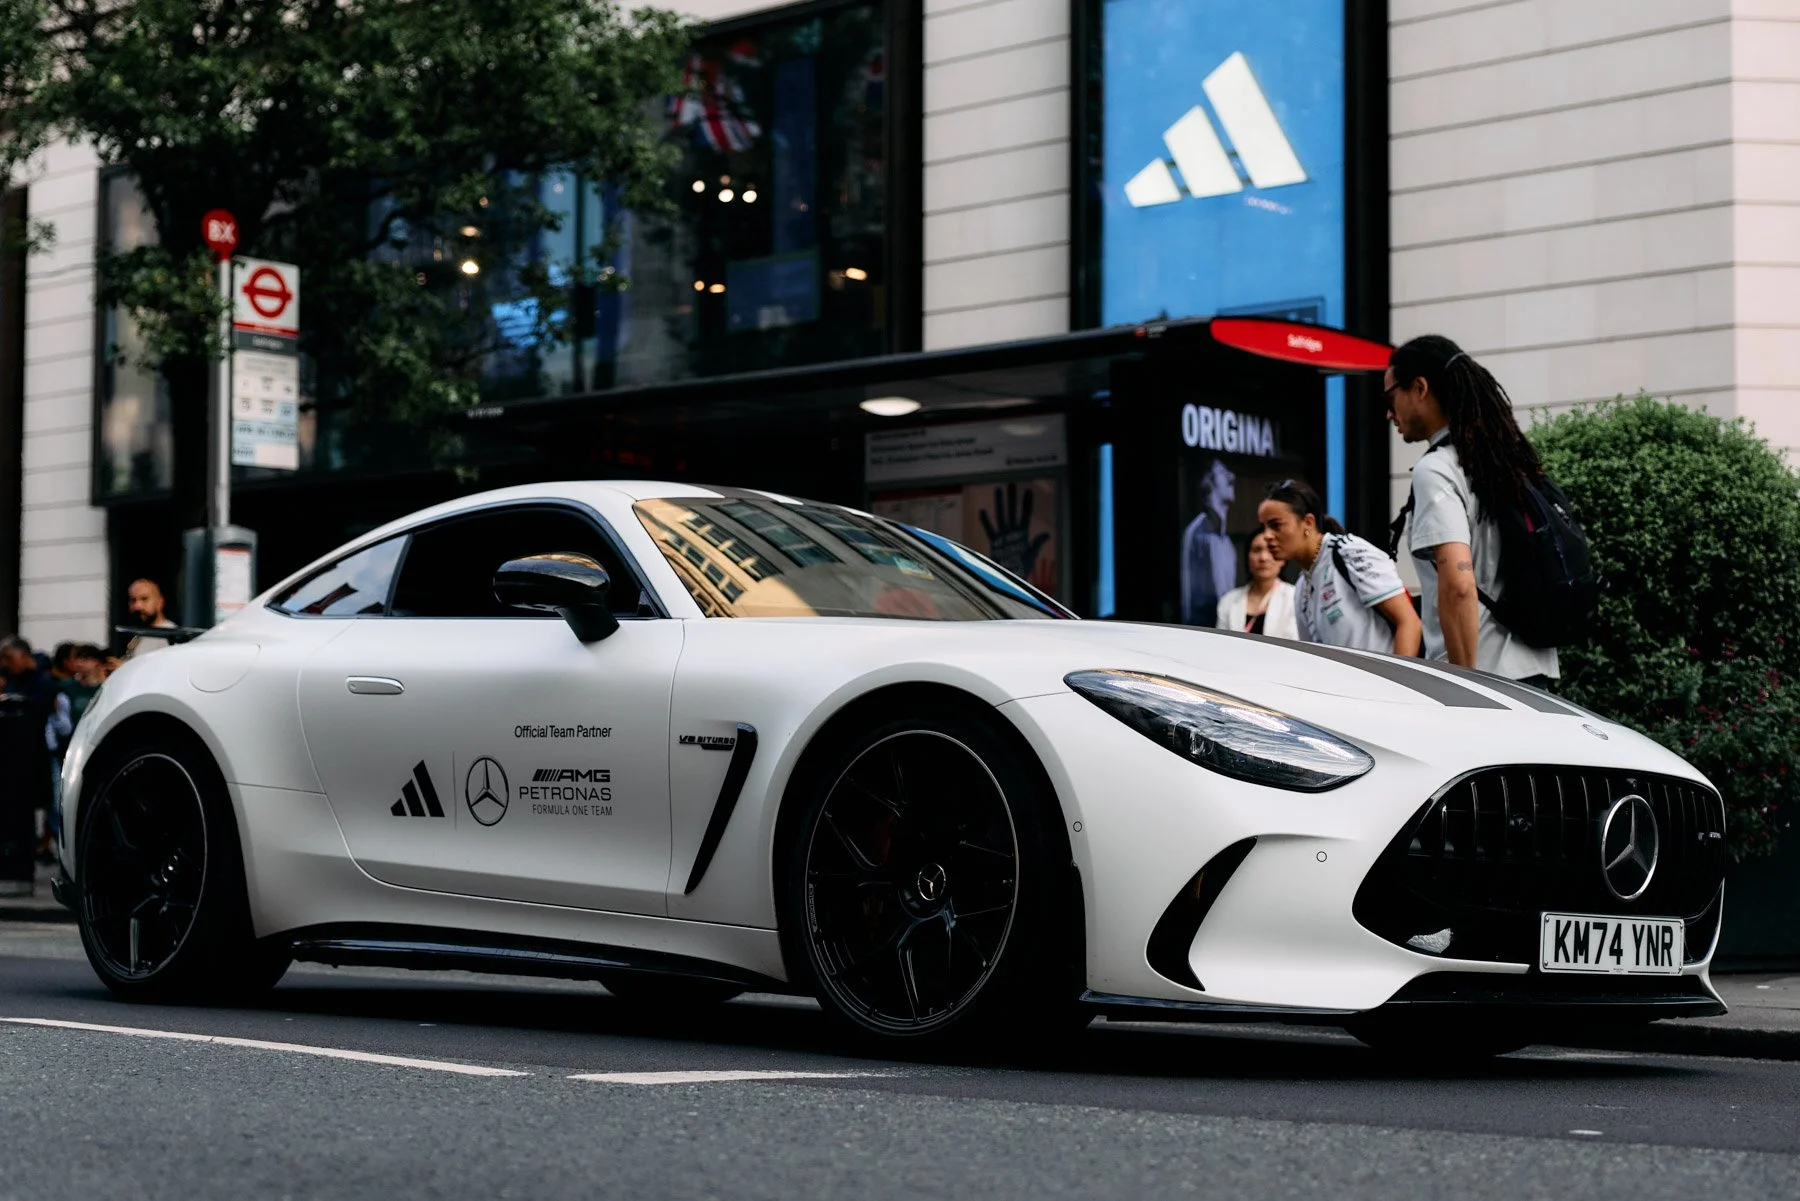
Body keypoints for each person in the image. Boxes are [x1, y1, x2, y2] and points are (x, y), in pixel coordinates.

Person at [1385, 335, 1558, 685]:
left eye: (1391, 397)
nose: (1389, 413)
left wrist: (1467, 688)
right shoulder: (1501, 460)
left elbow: (1459, 586)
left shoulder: (1436, 470)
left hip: (1489, 678)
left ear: (1420, 388)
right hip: (1534, 668)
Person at [1258, 480, 1422, 657]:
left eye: (1276, 525)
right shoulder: (1300, 588)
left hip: (1384, 682)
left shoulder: (1349, 552)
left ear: (1308, 522)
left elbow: (1409, 623)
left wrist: (1394, 683)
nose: (1266, 536)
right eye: (1263, 527)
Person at [0, 637, 55, 892]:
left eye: (9, 658)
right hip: (11, 759)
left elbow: (36, 711)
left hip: (30, 760)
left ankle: (22, 870)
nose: (6, 665)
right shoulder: (15, 681)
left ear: (23, 656)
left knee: (23, 817)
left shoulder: (42, 682)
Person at [1180, 457, 1238, 626]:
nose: (1231, 477)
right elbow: (1188, 598)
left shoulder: (1227, 542)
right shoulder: (1196, 534)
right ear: (1209, 482)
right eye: (1222, 472)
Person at [1214, 530, 1298, 639]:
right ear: (1248, 557)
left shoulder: (1295, 598)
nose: (1263, 557)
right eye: (1257, 550)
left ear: (1283, 559)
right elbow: (1221, 646)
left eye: (1271, 550)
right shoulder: (1229, 600)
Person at [125, 578, 178, 658]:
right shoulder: (140, 634)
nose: (138, 606)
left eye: (144, 599)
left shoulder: (170, 635)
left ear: (160, 602)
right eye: (133, 600)